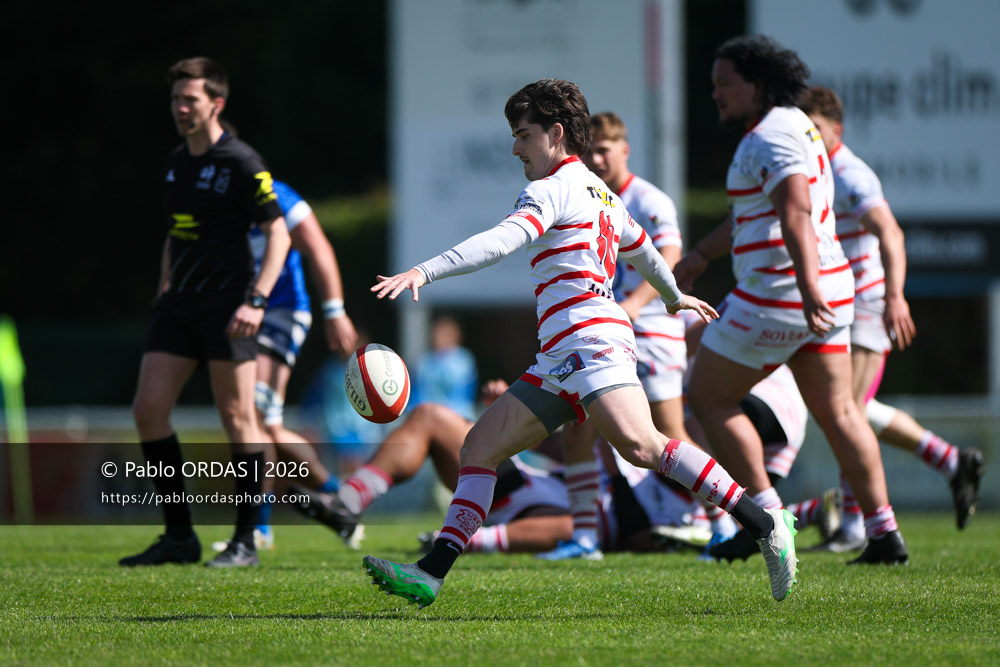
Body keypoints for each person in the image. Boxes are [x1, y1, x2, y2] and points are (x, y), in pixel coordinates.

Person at [361, 78, 799, 608]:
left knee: (642, 447)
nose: (515, 147)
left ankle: (764, 523)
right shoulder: (602, 191)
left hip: (591, 342)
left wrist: (424, 272)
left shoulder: (553, 188)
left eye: (523, 134)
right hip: (562, 353)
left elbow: (503, 240)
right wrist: (674, 295)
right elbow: (643, 249)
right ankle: (432, 572)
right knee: (478, 447)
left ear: (556, 133)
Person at [674, 36, 908, 565]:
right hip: (825, 291)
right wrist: (698, 259)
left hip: (779, 294)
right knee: (841, 412)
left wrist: (805, 289)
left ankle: (768, 515)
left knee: (708, 397)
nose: (716, 94)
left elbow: (796, 211)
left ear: (757, 84)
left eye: (724, 83)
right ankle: (885, 534)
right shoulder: (797, 125)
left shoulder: (768, 136)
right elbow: (754, 215)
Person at [795, 85, 985, 545]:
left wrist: (895, 297)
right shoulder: (811, 168)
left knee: (846, 414)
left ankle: (858, 523)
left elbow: (891, 234)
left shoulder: (849, 171)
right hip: (839, 303)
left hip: (862, 305)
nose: (808, 137)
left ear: (835, 130)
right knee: (855, 410)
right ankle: (950, 460)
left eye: (815, 129)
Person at [122, 57, 291, 568]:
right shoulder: (177, 161)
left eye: (189, 99)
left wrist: (256, 301)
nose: (180, 107)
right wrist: (162, 290)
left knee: (239, 418)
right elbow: (177, 233)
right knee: (148, 411)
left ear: (215, 103)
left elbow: (278, 234)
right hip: (179, 307)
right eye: (176, 99)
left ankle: (244, 542)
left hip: (230, 306)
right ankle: (179, 537)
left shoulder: (241, 161)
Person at [536, 110, 725, 561]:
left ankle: (722, 524)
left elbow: (670, 255)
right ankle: (585, 539)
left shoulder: (649, 199)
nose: (598, 159)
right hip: (602, 331)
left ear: (625, 150)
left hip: (653, 331)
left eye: (606, 150)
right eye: (592, 151)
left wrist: (635, 305)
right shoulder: (588, 196)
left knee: (667, 431)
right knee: (577, 428)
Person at [290, 380, 574, 554]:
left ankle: (469, 541)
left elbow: (608, 526)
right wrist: (518, 414)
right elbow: (561, 449)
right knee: (429, 416)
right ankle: (348, 501)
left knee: (595, 521)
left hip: (547, 513)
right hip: (520, 484)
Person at [248, 178, 359, 550]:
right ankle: (341, 501)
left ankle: (256, 529)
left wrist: (334, 310)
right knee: (268, 427)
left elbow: (317, 245)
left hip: (279, 313)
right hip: (239, 316)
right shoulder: (207, 196)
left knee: (252, 413)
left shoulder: (272, 193)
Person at [410, 315, 478, 419]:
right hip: (427, 416)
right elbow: (417, 395)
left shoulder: (464, 360)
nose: (439, 337)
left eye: (445, 334)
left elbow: (462, 396)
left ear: (456, 335)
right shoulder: (424, 362)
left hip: (457, 415)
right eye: (437, 333)